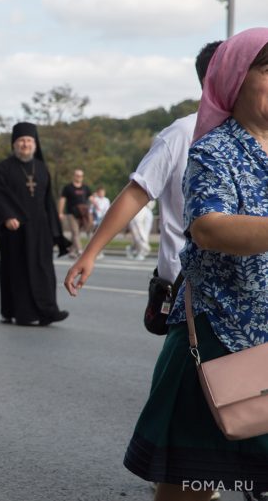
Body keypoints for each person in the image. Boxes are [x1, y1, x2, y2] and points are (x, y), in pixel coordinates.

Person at [85, 29, 268, 501]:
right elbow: (207, 226)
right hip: (219, 334)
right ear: (233, 81)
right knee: (192, 481)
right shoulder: (212, 148)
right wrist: (89, 254)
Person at [64, 40, 222, 294]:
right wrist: (90, 253)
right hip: (187, 289)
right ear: (215, 79)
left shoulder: (252, 137)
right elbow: (137, 192)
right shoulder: (181, 134)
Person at [0, 122, 69, 326]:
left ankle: (48, 311)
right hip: (16, 230)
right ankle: (22, 313)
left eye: (29, 141)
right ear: (14, 144)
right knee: (18, 271)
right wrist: (8, 217)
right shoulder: (3, 169)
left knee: (44, 270)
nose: (25, 144)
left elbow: (48, 202)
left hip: (41, 230)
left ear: (35, 144)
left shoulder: (42, 169)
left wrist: (56, 233)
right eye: (21, 141)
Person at [58, 169, 93, 257]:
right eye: (77, 175)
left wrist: (93, 207)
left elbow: (91, 198)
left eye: (80, 176)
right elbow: (62, 200)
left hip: (82, 214)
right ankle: (80, 251)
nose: (79, 177)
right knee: (75, 231)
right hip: (71, 213)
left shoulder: (85, 188)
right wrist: (60, 212)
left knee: (78, 233)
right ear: (74, 176)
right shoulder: (68, 188)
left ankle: (71, 250)